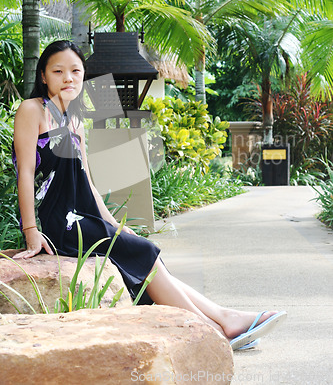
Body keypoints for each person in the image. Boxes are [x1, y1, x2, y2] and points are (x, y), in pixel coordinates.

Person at [12, 40, 286, 350]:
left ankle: (224, 318)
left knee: (144, 253)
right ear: (44, 76)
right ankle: (213, 327)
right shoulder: (32, 110)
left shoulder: (74, 118)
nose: (68, 78)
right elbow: (24, 173)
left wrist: (112, 222)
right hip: (59, 222)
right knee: (142, 253)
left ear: (84, 75)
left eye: (75, 70)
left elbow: (87, 180)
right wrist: (31, 232)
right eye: (58, 71)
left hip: (84, 215)